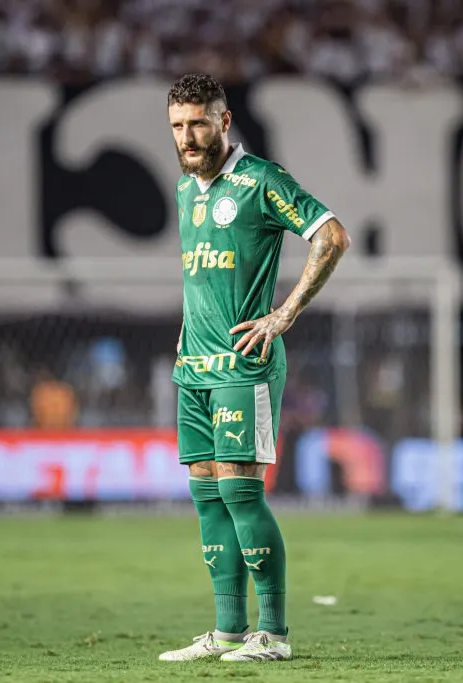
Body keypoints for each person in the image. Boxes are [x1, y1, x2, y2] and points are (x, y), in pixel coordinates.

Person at [158, 73, 351, 663]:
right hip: (194, 367)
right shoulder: (185, 192)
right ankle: (227, 630)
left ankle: (275, 632)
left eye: (197, 123)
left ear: (225, 120)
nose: (187, 137)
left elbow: (333, 237)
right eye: (176, 126)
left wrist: (284, 314)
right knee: (208, 500)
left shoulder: (260, 181)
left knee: (242, 494)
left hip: (245, 365)